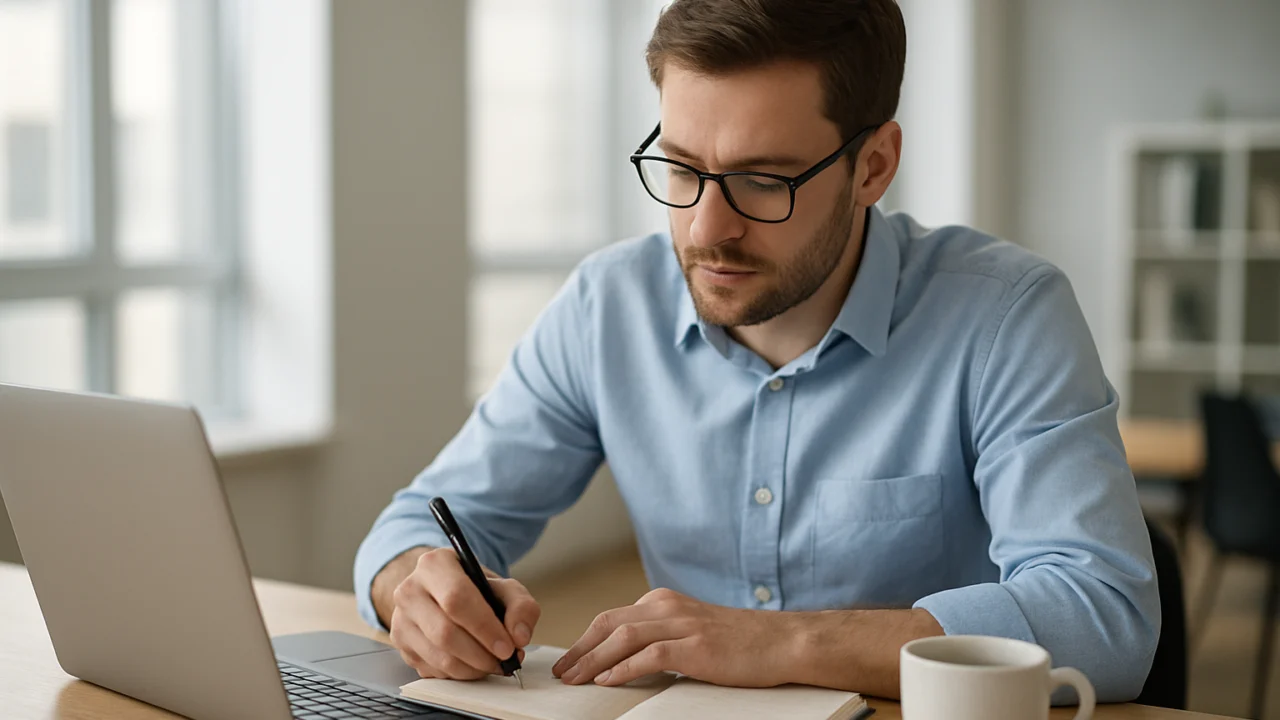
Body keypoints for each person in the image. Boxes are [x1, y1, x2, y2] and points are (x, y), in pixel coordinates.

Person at [354, 0, 1159, 701]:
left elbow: (1105, 618)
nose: (706, 229)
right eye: (680, 166)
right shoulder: (608, 307)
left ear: (873, 166)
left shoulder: (1005, 315)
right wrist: (414, 590)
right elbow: (414, 529)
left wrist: (778, 643)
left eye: (764, 181)